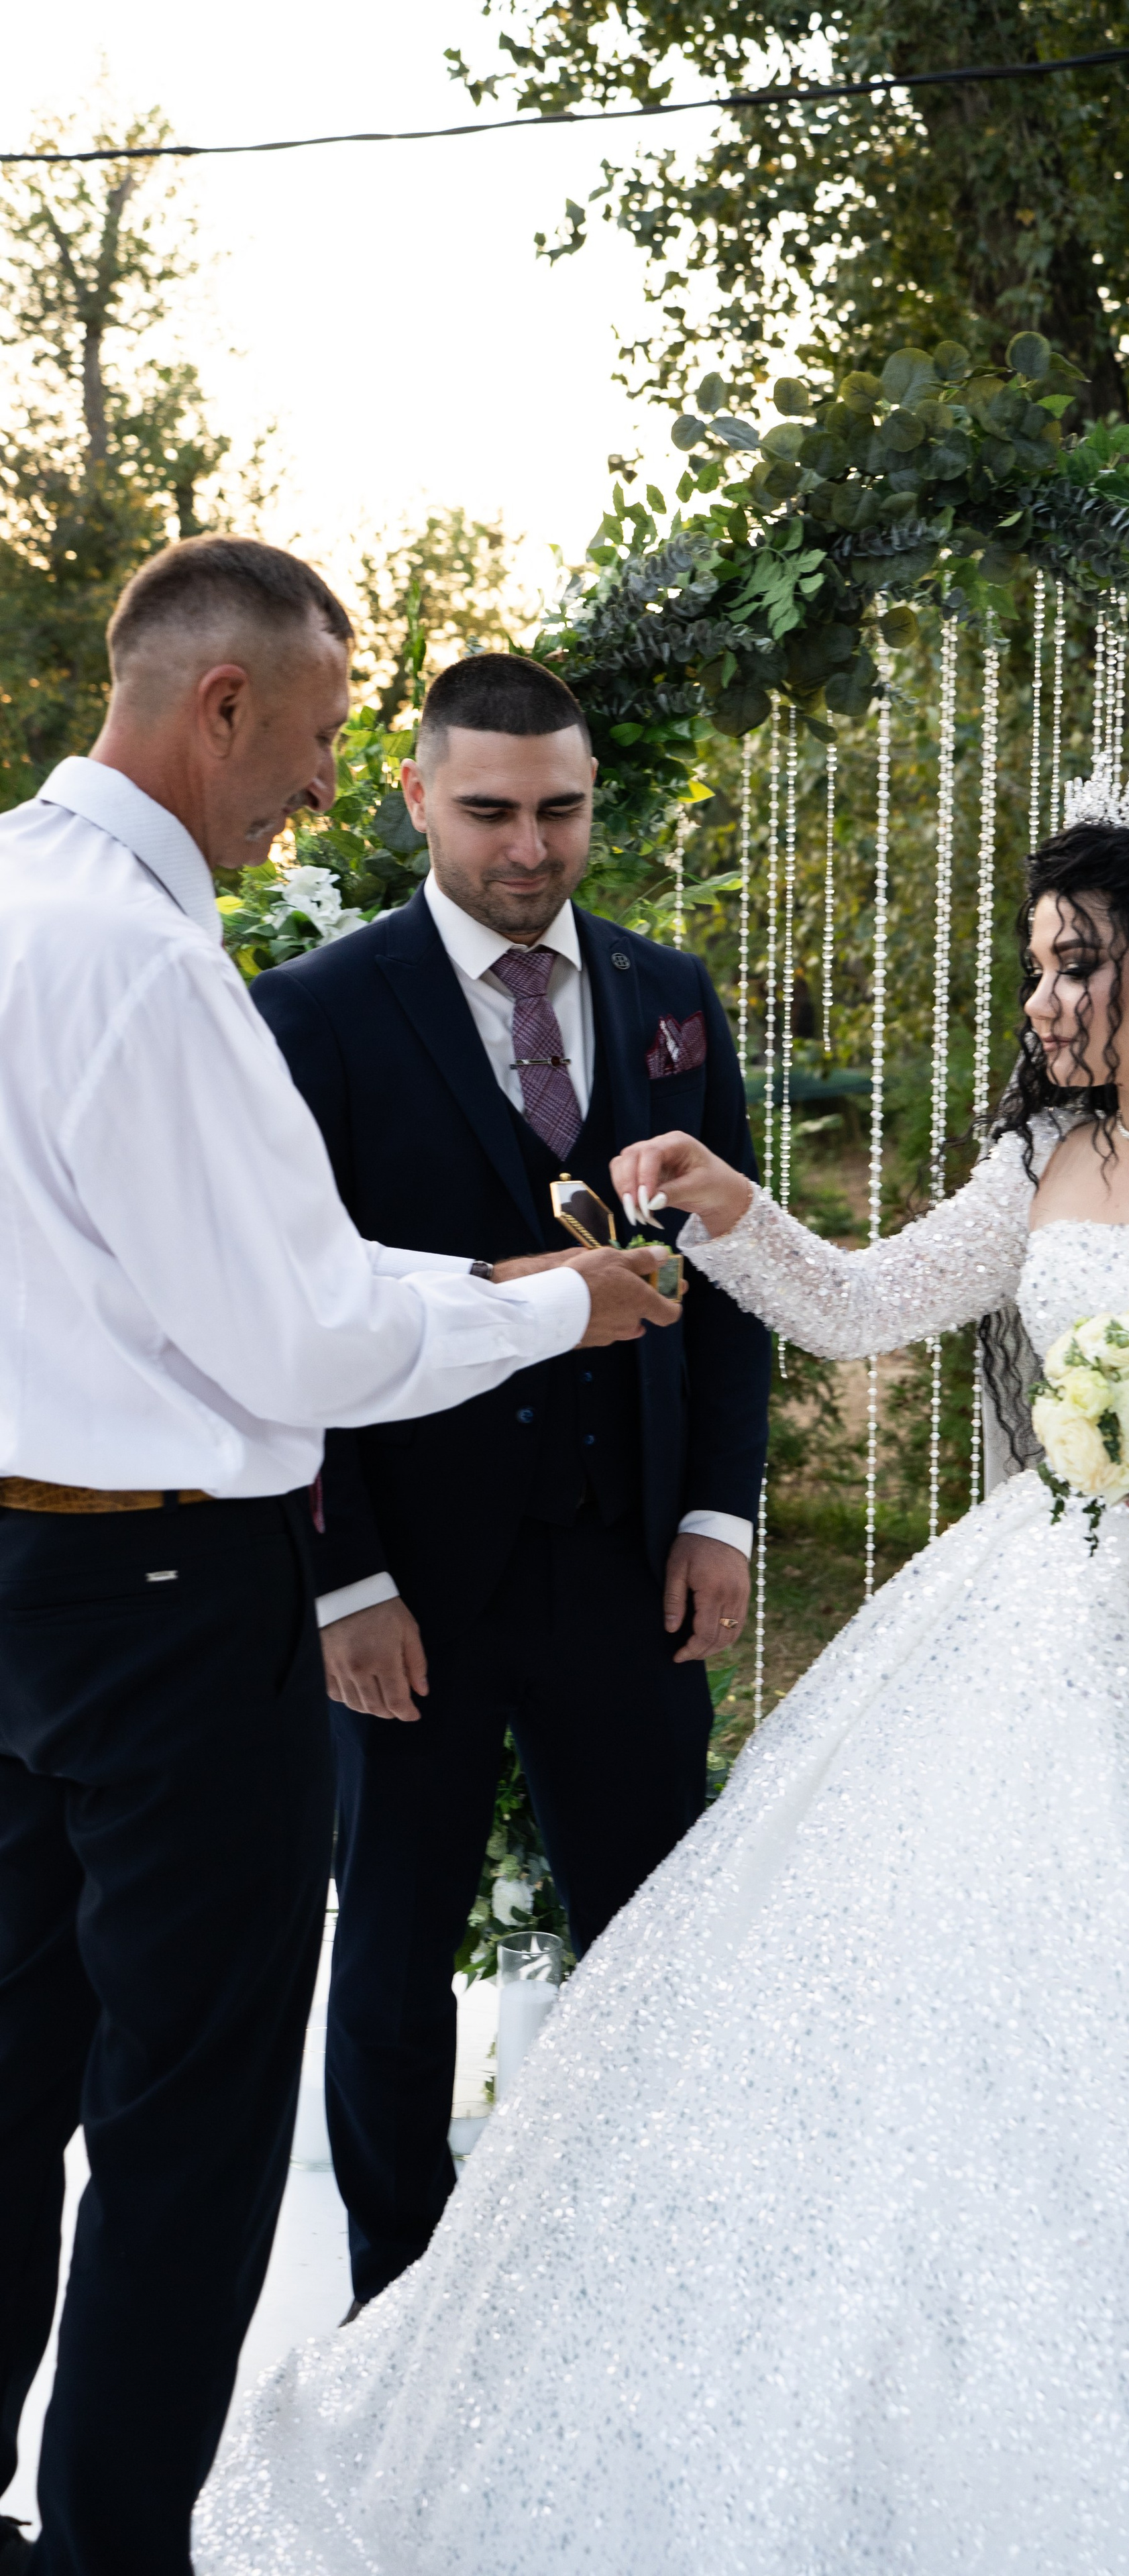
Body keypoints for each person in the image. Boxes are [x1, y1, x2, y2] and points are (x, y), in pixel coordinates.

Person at [197, 780, 1129, 2573]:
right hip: (1042, 1638)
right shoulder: (1045, 1162)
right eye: (1039, 966)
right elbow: (857, 1302)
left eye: (1083, 963)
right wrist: (724, 1201)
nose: (1049, 1000)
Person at [0, 538, 682, 2576]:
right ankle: (114, 2549)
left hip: (18, 1585)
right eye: (307, 747)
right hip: (165, 1605)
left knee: (8, 2074)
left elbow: (178, 1279)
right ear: (220, 706)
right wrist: (563, 1308)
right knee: (194, 2125)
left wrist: (470, 1276)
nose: (314, 792)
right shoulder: (141, 956)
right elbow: (295, 1337)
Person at [248, 651, 769, 2317]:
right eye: (488, 812)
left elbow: (738, 1278)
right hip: (406, 1574)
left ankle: (636, 2279)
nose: (529, 847)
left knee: (651, 1939)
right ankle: (394, 2306)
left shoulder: (668, 991)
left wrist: (714, 1513)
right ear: (414, 797)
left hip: (629, 1564)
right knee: (392, 1958)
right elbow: (287, 1307)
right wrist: (340, 1582)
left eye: (560, 809)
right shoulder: (316, 1012)